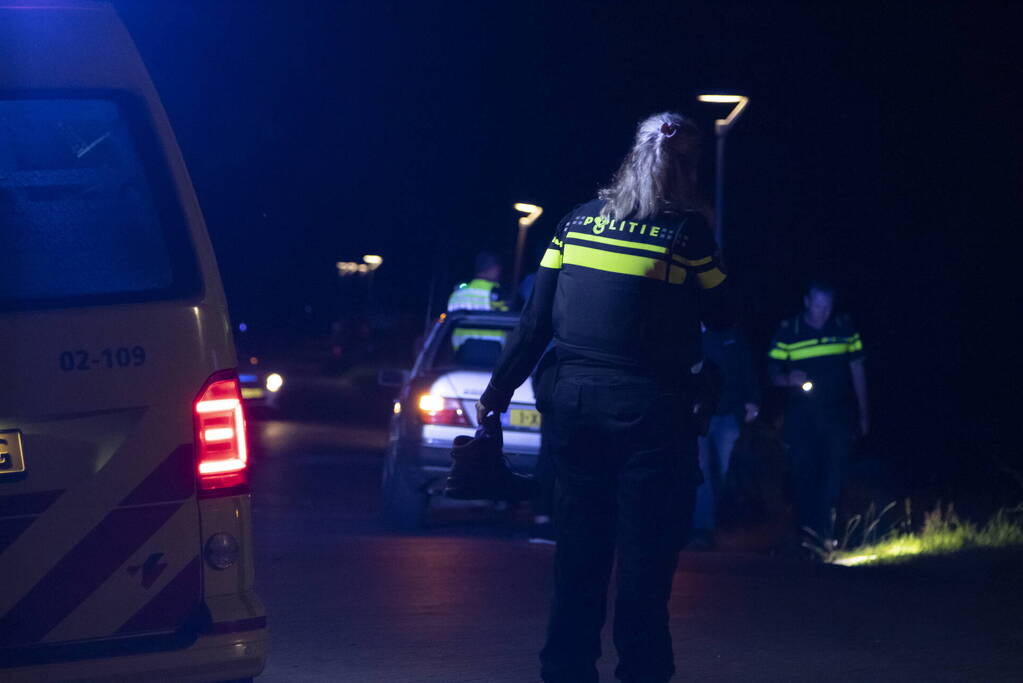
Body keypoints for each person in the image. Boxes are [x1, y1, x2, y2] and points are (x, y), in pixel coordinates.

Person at [476, 112, 735, 683]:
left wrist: (496, 394)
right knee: (645, 563)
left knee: (578, 558)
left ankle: (566, 671)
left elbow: (535, 323)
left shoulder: (574, 224)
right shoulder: (687, 234)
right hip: (651, 415)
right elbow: (725, 315)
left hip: (573, 409)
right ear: (687, 169)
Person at [767, 281, 868, 545]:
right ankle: (806, 534)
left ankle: (827, 534)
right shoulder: (790, 331)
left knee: (835, 472)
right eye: (818, 306)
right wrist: (789, 378)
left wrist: (864, 413)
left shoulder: (844, 327)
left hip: (838, 414)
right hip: (802, 417)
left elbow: (858, 370)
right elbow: (772, 373)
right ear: (807, 302)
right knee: (804, 473)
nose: (823, 312)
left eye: (828, 306)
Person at [690, 325, 760, 549]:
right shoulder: (689, 334)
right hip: (700, 413)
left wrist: (753, 400)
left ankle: (723, 518)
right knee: (702, 471)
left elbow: (745, 367)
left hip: (729, 411)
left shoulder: (730, 333)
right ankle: (703, 528)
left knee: (724, 469)